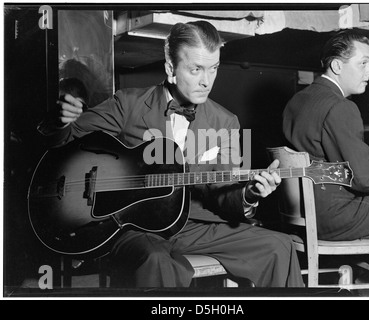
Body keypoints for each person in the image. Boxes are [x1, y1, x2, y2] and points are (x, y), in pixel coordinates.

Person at [38, 21, 303, 288]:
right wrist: (60, 122)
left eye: (213, 68)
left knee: (279, 246)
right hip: (135, 228)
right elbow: (65, 142)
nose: (206, 81)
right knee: (156, 260)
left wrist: (249, 195)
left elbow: (225, 190)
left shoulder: (225, 122)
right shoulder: (128, 104)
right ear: (170, 69)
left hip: (196, 226)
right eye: (196, 69)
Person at [283, 30, 369, 241]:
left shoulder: (297, 100)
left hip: (300, 213)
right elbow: (364, 179)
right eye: (364, 63)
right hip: (333, 216)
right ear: (337, 66)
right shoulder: (340, 106)